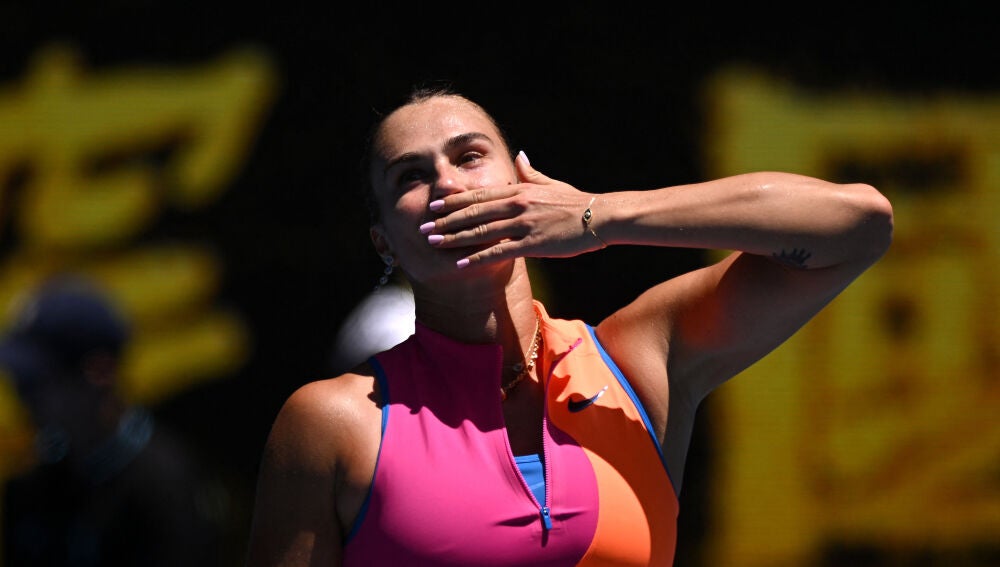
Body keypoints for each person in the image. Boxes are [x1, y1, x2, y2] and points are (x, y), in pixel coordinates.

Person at [245, 86, 893, 566]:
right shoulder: (331, 423)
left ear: (524, 182)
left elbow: (860, 225)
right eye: (410, 176)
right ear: (384, 240)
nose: (446, 184)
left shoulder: (639, 360)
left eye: (469, 156)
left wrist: (598, 214)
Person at [0, 276, 224, 567]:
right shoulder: (33, 487)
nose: (26, 402)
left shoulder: (165, 484)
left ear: (100, 372)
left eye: (37, 385)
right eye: (20, 385)